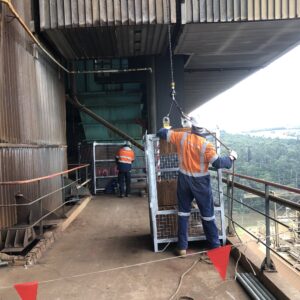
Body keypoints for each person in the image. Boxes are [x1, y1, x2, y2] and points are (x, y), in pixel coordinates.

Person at [157, 117, 237, 256]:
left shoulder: (181, 137)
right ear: (203, 130)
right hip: (200, 183)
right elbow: (218, 163)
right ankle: (215, 248)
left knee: (183, 213)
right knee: (207, 214)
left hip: (183, 180)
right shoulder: (206, 145)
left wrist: (167, 128)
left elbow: (160, 132)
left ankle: (182, 247)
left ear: (192, 127)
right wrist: (231, 157)